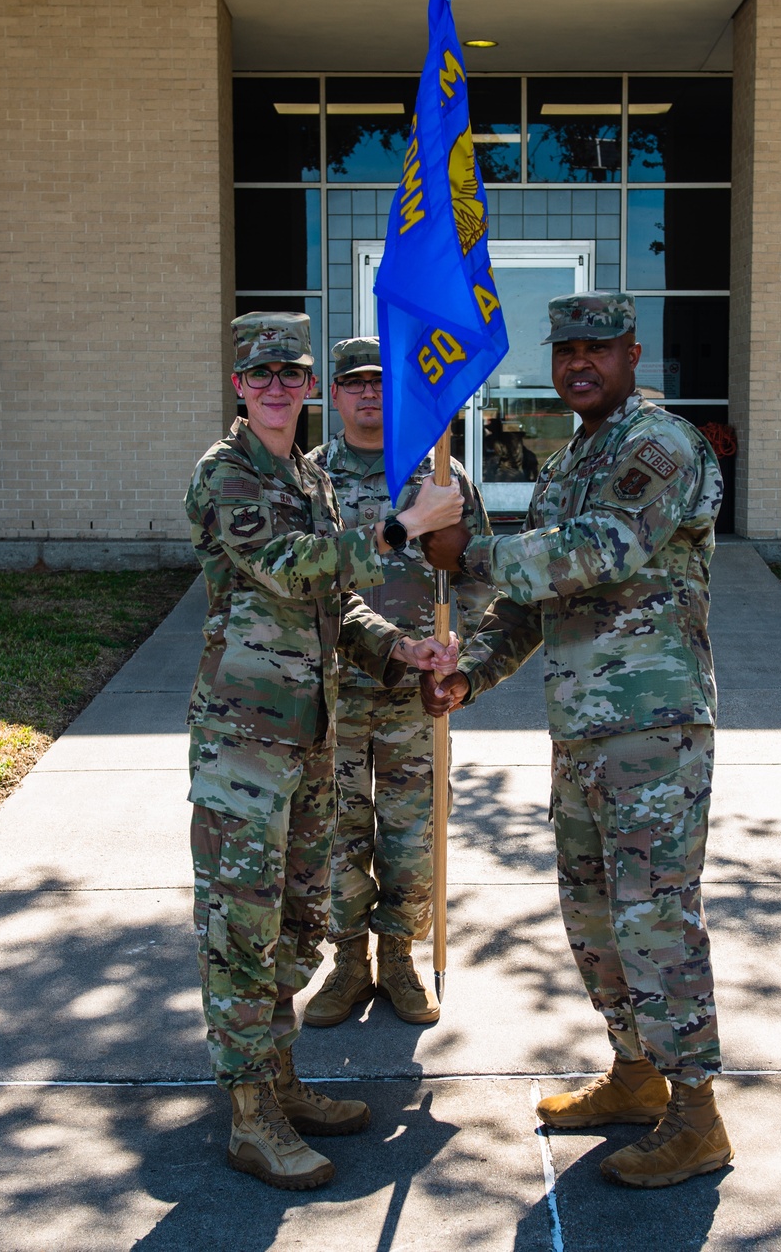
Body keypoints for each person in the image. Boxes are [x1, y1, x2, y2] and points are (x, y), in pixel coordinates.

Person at [419, 291, 733, 1190]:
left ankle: (698, 1113)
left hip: (653, 730)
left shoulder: (659, 445)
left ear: (634, 354)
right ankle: (636, 1075)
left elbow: (600, 551)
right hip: (583, 734)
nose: (578, 364)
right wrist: (469, 671)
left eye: (597, 349)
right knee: (595, 916)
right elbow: (530, 600)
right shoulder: (567, 465)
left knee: (656, 918)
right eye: (565, 352)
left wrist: (465, 554)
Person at [185, 311, 462, 1191]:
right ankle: (248, 1115)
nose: (276, 387)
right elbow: (295, 566)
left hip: (310, 731)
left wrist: (397, 646)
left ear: (309, 387)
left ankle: (280, 1078)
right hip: (244, 739)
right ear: (239, 387)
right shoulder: (225, 475)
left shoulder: (308, 474)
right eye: (260, 375)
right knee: (240, 929)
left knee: (297, 922)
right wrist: (400, 529)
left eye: (290, 373)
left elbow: (334, 605)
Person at [301, 337, 492, 1029]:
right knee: (336, 834)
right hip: (335, 687)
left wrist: (457, 643)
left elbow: (478, 573)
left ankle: (400, 957)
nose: (369, 394)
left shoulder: (439, 475)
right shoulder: (310, 478)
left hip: (418, 693)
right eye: (355, 384)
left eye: (381, 383)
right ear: (334, 393)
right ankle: (348, 959)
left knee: (413, 835)